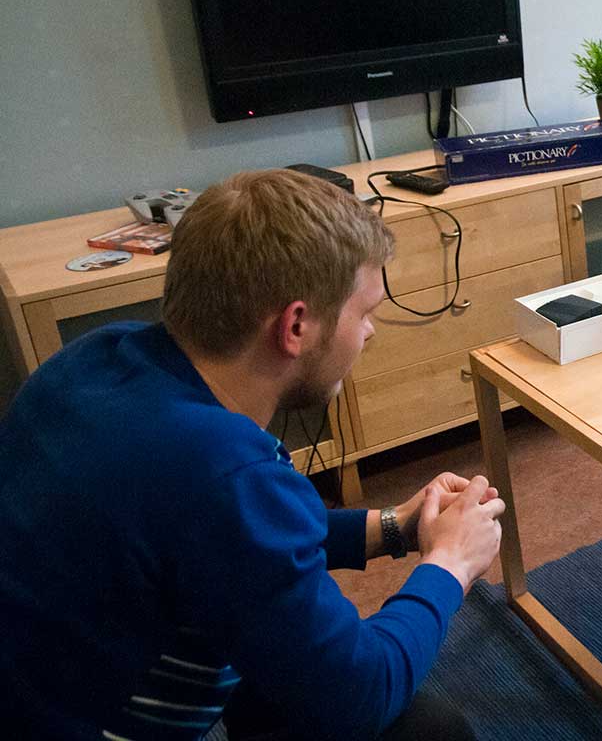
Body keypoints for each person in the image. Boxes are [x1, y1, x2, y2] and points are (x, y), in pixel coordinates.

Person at [0, 170, 506, 740]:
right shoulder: (221, 471)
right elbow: (362, 694)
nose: (370, 333)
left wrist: (395, 526)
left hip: (40, 691)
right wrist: (451, 564)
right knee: (427, 731)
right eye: (363, 313)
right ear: (296, 325)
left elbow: (235, 546)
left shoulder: (92, 360)